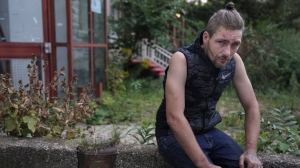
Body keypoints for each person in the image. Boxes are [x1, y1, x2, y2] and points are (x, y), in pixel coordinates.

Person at [155, 2, 263, 168]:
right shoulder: (182, 59)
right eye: (221, 42)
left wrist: (251, 150)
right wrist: (203, 164)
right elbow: (174, 117)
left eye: (235, 44)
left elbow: (252, 106)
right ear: (206, 37)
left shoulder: (234, 61)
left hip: (209, 131)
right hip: (172, 135)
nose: (227, 52)